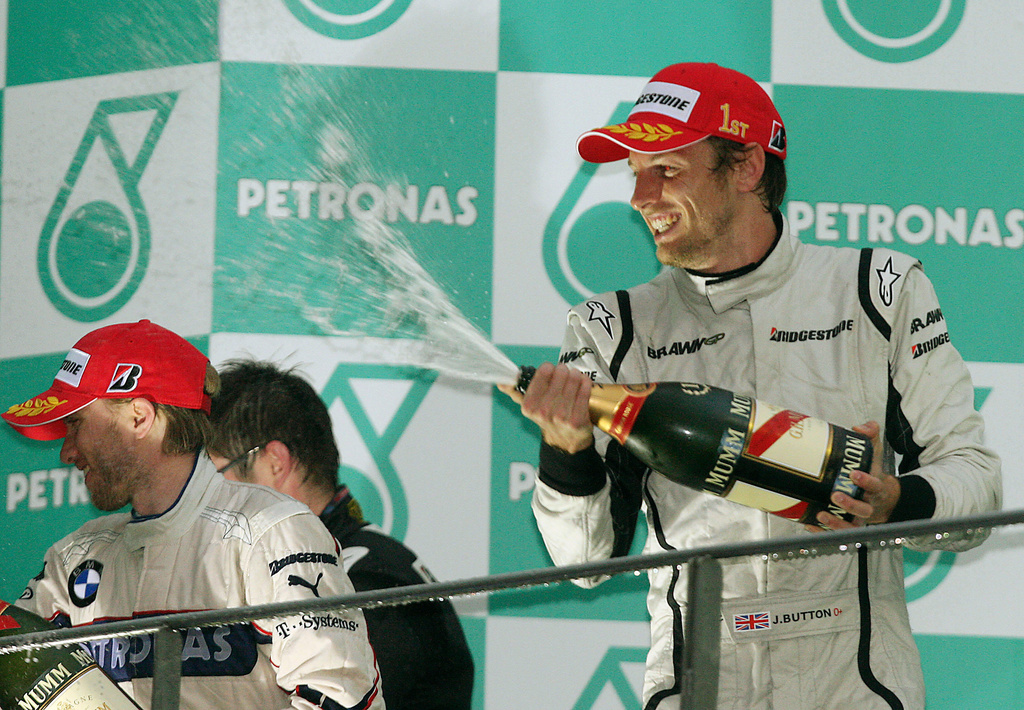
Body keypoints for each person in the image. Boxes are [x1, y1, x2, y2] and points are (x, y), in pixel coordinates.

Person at [501, 63, 1001, 710]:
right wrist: (564, 450)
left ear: (746, 169)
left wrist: (894, 503)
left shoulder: (879, 291)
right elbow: (583, 555)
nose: (639, 197)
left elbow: (978, 486)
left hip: (854, 682)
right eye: (636, 174)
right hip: (699, 675)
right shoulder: (611, 327)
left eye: (668, 171)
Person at [2, 320, 384, 710]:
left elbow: (340, 700)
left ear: (139, 417)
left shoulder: (272, 532)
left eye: (75, 424)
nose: (66, 453)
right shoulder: (74, 560)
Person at [206, 359, 474, 710]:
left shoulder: (363, 580)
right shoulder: (365, 561)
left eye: (214, 477)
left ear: (275, 462)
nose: (206, 501)